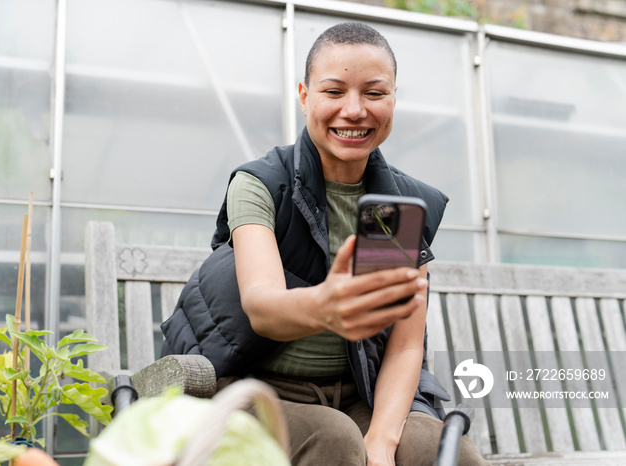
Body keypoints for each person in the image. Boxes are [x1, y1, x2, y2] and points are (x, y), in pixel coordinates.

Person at [161, 22, 488, 466]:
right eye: (334, 92)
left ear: (393, 98)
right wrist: (324, 305)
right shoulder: (262, 184)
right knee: (333, 440)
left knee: (437, 450)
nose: (354, 111)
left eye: (374, 93)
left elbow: (407, 344)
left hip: (357, 393)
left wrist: (383, 439)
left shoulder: (399, 205)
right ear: (304, 96)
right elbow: (262, 307)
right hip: (250, 387)